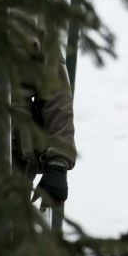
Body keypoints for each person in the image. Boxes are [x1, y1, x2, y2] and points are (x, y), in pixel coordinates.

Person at [10, 18, 77, 211]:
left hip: (11, 156)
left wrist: (58, 163)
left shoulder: (29, 19)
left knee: (4, 231)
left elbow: (56, 96)